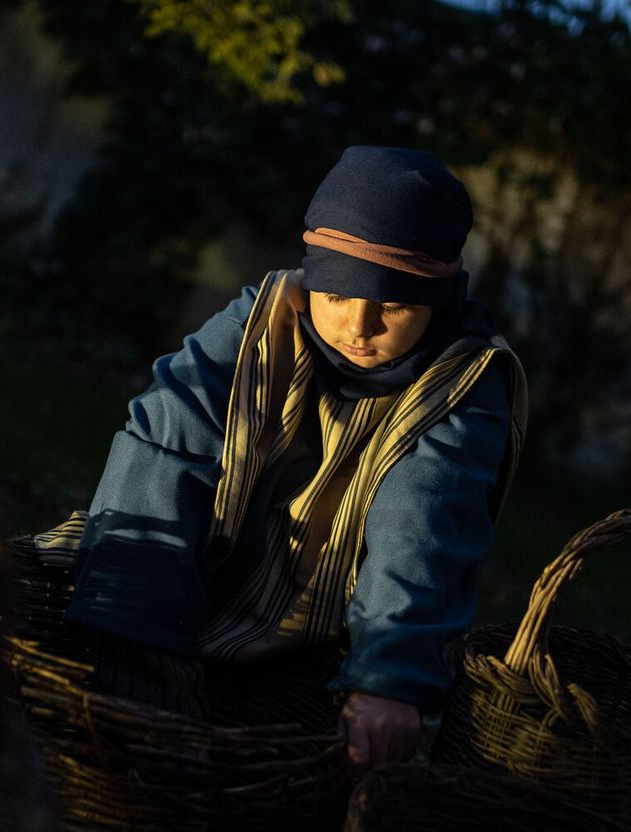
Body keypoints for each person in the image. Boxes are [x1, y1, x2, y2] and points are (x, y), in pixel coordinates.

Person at [63, 146, 527, 778]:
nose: (358, 325)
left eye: (393, 307)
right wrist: (136, 639)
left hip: (330, 632)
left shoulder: (466, 381)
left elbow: (424, 529)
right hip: (201, 582)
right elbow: (163, 447)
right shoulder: (258, 323)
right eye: (336, 294)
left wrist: (387, 677)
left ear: (438, 303)